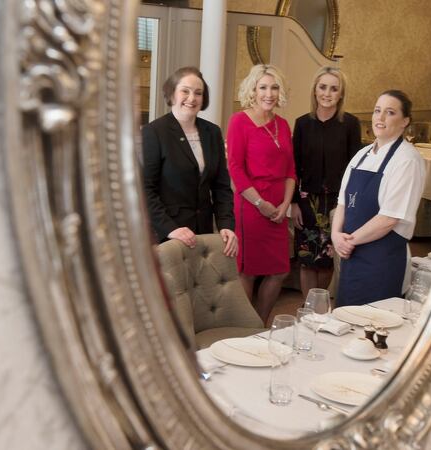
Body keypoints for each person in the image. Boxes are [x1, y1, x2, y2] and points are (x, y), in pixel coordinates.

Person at [331, 90, 426, 307]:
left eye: (390, 112)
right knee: (346, 320)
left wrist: (347, 242)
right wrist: (336, 235)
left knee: (376, 329)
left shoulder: (407, 160)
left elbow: (389, 219)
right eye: (377, 111)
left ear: (405, 121)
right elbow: (342, 202)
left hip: (382, 261)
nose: (380, 118)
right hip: (352, 258)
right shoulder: (361, 155)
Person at [142, 66, 237, 257]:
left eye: (198, 93)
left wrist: (226, 225)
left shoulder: (212, 131)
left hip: (202, 232)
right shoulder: (154, 132)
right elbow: (145, 188)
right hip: (168, 235)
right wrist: (170, 229)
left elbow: (221, 186)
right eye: (185, 91)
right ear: (171, 94)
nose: (192, 98)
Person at [226, 64, 296, 322]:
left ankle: (260, 322)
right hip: (250, 206)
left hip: (279, 208)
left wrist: (285, 204)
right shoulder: (239, 121)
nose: (269, 93)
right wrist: (260, 203)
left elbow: (291, 170)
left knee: (279, 270)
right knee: (249, 271)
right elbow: (234, 168)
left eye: (274, 87)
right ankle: (245, 328)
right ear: (253, 90)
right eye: (263, 87)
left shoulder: (284, 124)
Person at [291, 67, 362, 299]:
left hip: (336, 202)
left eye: (334, 89)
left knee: (327, 259)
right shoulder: (302, 123)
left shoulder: (350, 124)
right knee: (306, 259)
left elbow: (355, 170)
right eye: (323, 87)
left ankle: (319, 306)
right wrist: (293, 204)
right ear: (315, 90)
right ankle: (308, 308)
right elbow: (294, 167)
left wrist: (346, 206)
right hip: (306, 201)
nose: (327, 93)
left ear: (341, 94)